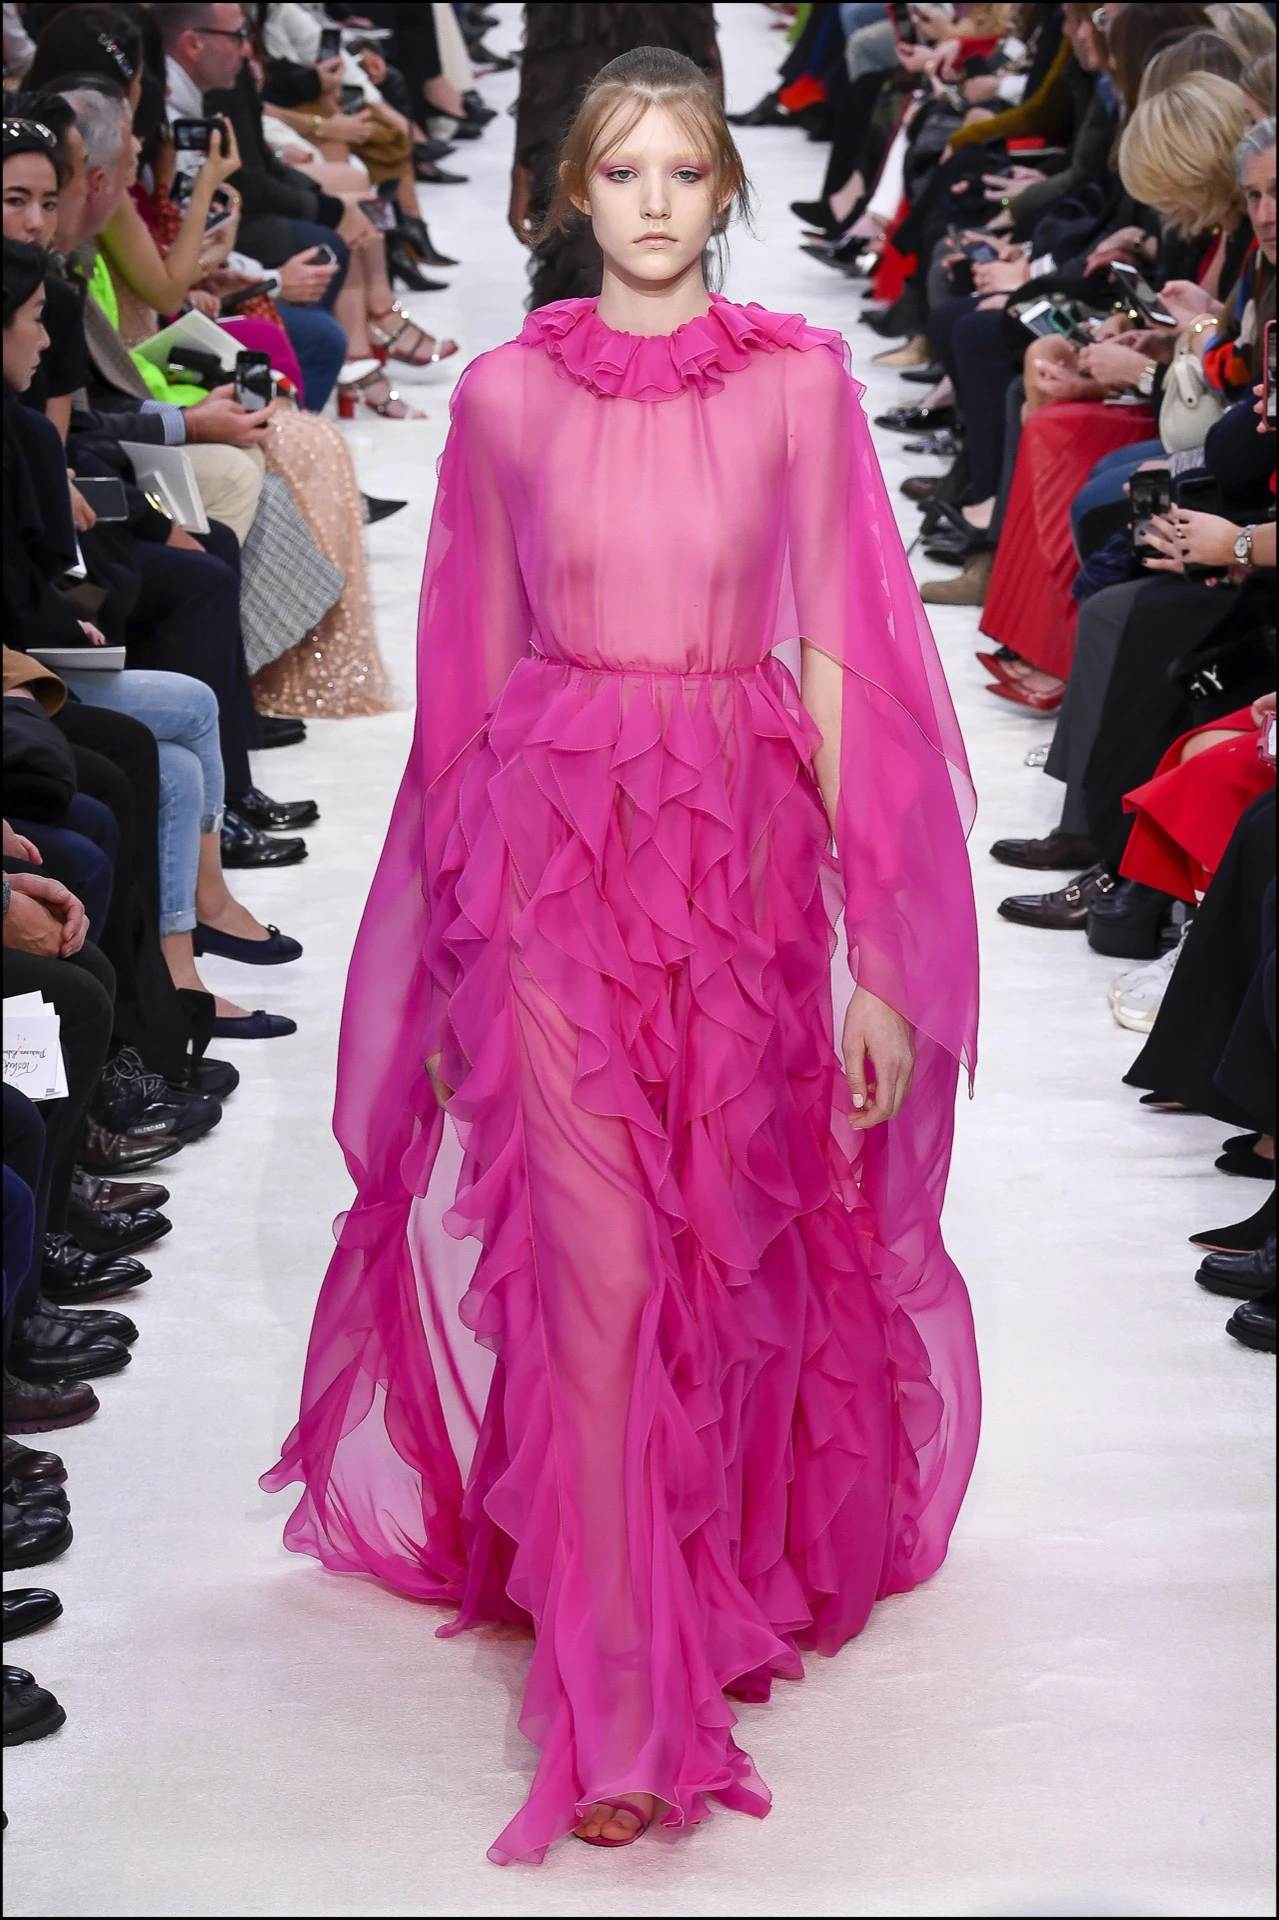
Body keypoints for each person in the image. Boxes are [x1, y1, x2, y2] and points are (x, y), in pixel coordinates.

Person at [264, 47, 980, 1863]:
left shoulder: (800, 393)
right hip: (544, 874)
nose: (654, 200)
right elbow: (460, 699)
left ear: (723, 189)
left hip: (743, 875)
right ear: (568, 196)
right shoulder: (504, 399)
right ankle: (619, 1697)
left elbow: (847, 673)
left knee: (720, 1251)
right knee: (588, 1278)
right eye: (622, 172)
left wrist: (866, 953)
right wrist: (437, 957)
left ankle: (703, 1572)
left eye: (683, 170)